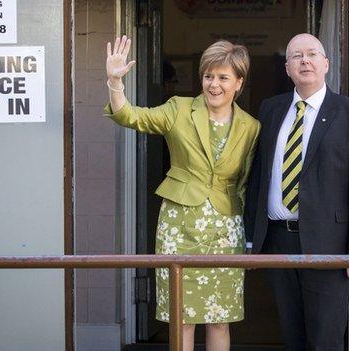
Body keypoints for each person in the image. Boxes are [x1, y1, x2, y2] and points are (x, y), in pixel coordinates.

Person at [104, 36, 260, 351]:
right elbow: (130, 116)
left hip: (226, 231)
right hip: (179, 227)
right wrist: (114, 81)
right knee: (183, 316)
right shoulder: (179, 108)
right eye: (208, 76)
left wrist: (250, 239)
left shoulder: (251, 126)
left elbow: (245, 183)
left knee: (220, 317)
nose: (213, 84)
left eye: (223, 78)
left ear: (239, 83)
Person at [244, 33, 349, 351]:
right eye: (296, 56)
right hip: (278, 240)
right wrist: (251, 238)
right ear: (287, 68)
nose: (305, 60)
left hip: (329, 245)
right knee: (292, 335)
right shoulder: (270, 109)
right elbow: (258, 177)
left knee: (325, 338)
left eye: (312, 54)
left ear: (326, 64)